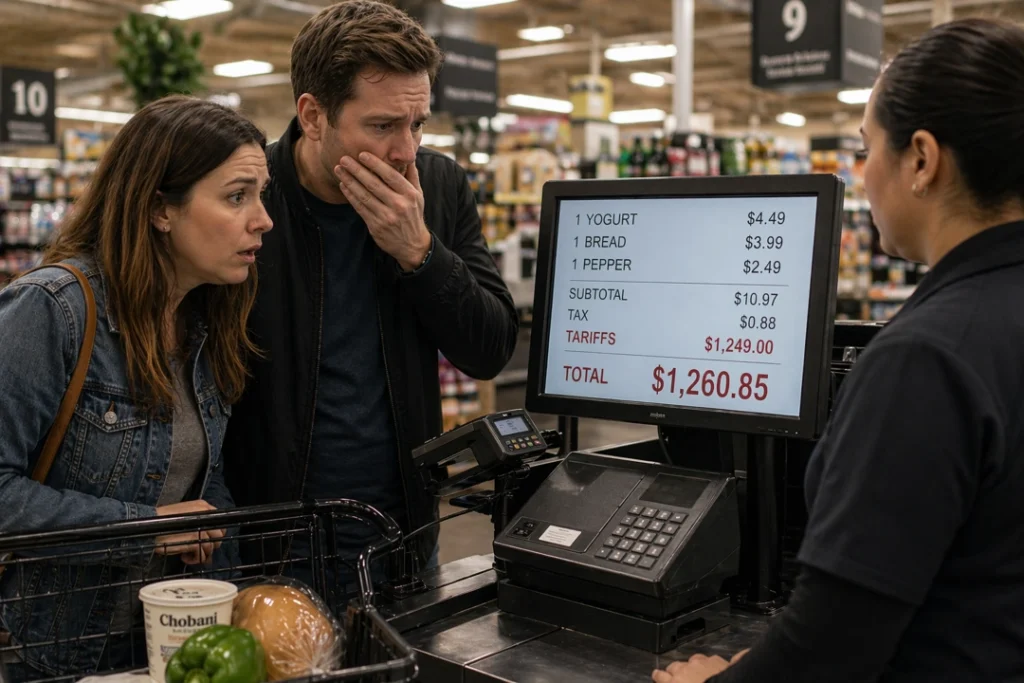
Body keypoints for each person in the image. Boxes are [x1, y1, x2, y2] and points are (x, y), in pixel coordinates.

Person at [654, 17, 1024, 683]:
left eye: (865, 148)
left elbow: (829, 649)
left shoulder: (925, 359)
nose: (862, 173)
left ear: (921, 159)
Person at [222, 0, 518, 579]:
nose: (406, 150)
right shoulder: (252, 196)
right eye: (382, 126)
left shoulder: (438, 183)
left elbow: (491, 349)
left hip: (403, 531)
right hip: (270, 537)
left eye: (418, 124)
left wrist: (420, 253)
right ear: (313, 116)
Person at [0, 95, 272, 679]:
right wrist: (149, 526)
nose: (262, 218)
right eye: (235, 196)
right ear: (160, 210)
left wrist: (230, 588)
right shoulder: (53, 311)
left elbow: (204, 478)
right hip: (56, 649)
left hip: (176, 643)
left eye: (260, 194)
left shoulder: (205, 321)